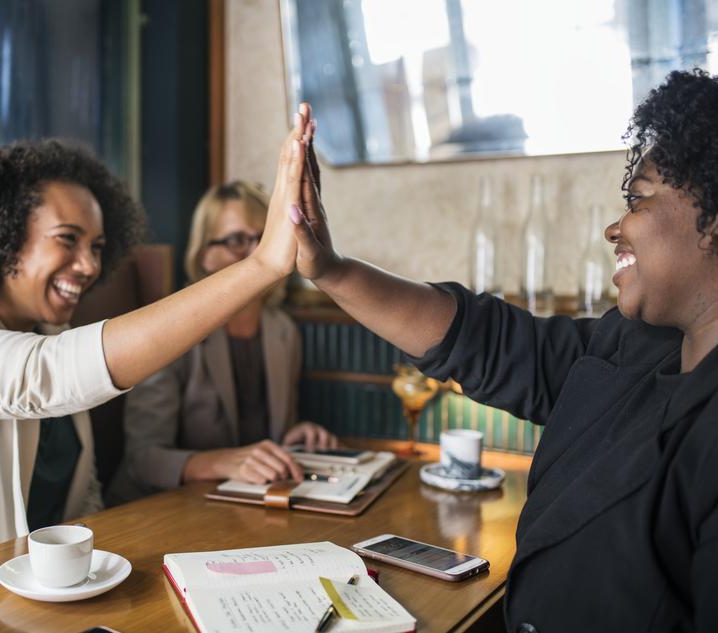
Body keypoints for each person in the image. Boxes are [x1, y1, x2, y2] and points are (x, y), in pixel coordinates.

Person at [0, 107, 316, 598]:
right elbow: (38, 379)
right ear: (2, 237)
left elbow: (81, 501)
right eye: (68, 240)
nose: (88, 266)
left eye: (98, 247)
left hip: (14, 606)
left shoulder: (52, 337)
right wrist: (260, 265)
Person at [290, 70, 718, 631]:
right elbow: (490, 343)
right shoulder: (637, 347)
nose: (616, 228)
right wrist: (330, 268)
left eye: (637, 199)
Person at [107, 180, 337, 504]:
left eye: (265, 238)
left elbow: (261, 438)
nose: (259, 252)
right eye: (237, 240)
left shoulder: (282, 330)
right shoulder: (171, 331)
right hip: (162, 510)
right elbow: (142, 461)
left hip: (244, 507)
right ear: (204, 256)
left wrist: (294, 438)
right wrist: (221, 462)